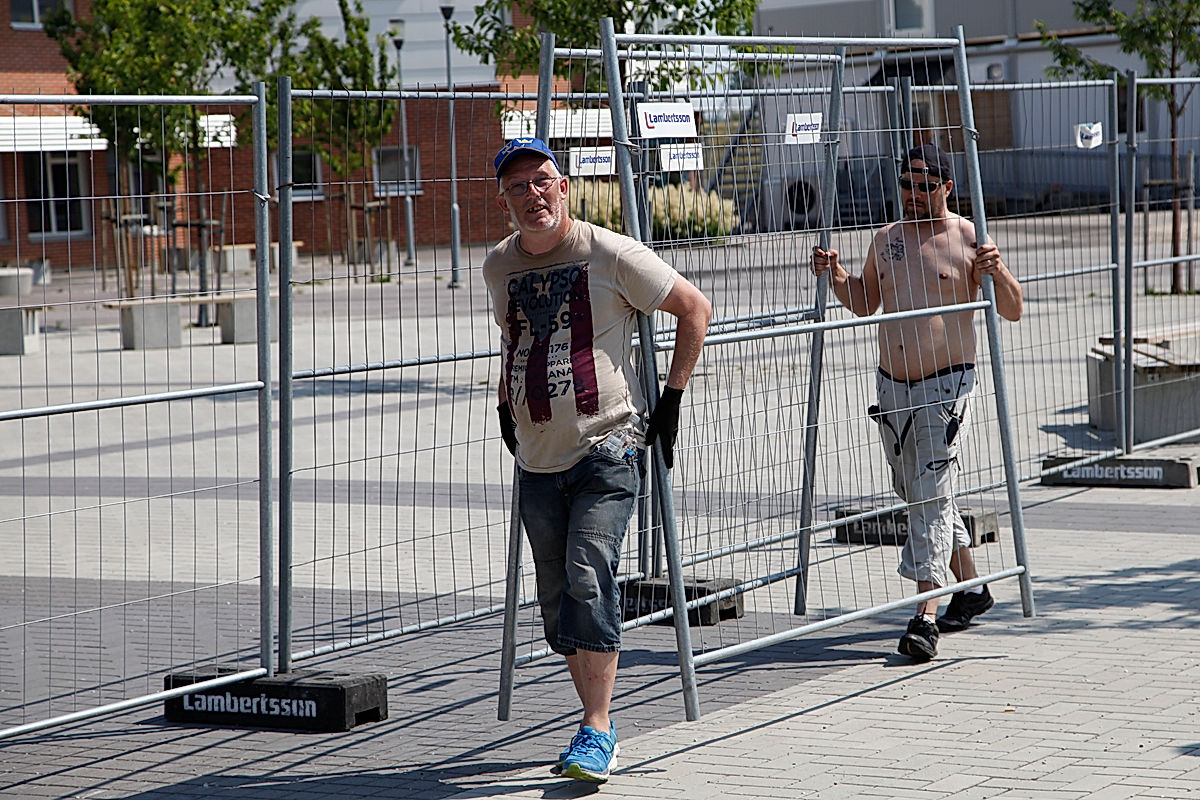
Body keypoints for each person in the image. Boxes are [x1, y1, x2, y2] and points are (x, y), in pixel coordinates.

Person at [482, 137, 711, 782]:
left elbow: (694, 308)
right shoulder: (498, 267)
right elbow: (514, 338)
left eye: (542, 182)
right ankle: (591, 722)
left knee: (588, 573)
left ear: (564, 187)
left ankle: (598, 728)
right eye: (518, 188)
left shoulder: (607, 251)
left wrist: (670, 401)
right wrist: (505, 404)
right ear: (505, 202)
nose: (533, 196)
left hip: (606, 445)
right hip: (536, 456)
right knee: (557, 600)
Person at [811, 143, 1022, 662]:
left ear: (947, 186)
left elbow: (1014, 310)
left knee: (929, 491)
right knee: (917, 488)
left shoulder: (971, 237)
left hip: (948, 386)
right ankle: (971, 587)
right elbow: (864, 303)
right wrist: (836, 275)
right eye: (907, 184)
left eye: (926, 185)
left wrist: (999, 273)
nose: (914, 194)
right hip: (892, 386)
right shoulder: (886, 239)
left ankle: (923, 616)